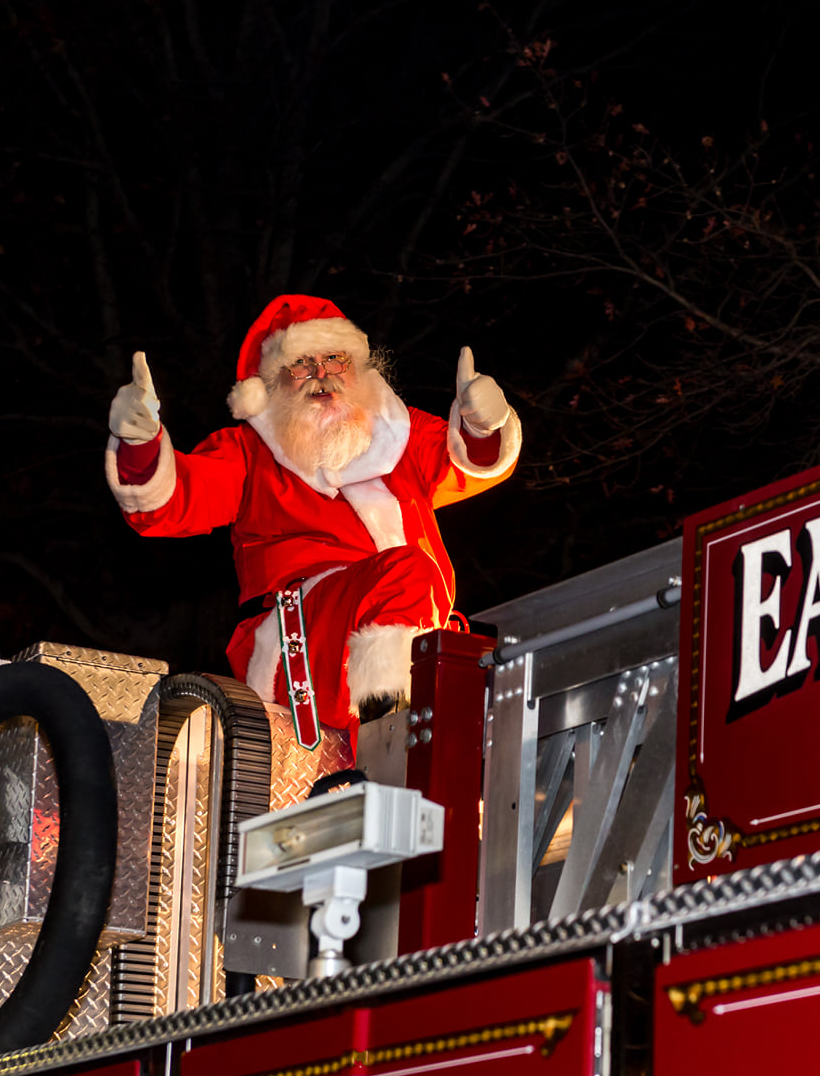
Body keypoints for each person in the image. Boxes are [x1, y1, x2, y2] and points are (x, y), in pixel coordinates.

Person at [102, 295, 519, 747]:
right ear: (273, 383)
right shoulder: (252, 452)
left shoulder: (399, 435)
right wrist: (140, 447)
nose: (322, 375)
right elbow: (174, 498)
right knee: (412, 572)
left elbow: (466, 465)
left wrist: (482, 425)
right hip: (300, 640)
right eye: (301, 364)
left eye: (335, 359)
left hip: (408, 627)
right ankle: (393, 732)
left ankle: (403, 730)